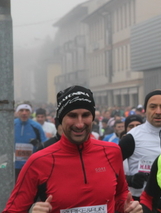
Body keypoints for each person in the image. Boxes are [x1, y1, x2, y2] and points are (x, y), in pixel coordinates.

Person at [4, 85, 142, 213]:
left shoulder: (112, 152)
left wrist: (127, 206)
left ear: (93, 117)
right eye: (72, 115)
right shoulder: (38, 161)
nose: (80, 124)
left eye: (86, 115)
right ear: (60, 119)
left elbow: (120, 195)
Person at [119, 90, 161, 202]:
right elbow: (110, 170)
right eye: (153, 107)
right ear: (145, 110)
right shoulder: (131, 138)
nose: (158, 111)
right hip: (141, 201)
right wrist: (129, 179)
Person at [14, 102, 47, 181]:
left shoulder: (36, 126)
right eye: (21, 110)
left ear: (30, 113)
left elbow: (44, 145)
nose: (24, 113)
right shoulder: (12, 125)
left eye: (27, 110)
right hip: (13, 165)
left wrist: (38, 144)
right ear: (18, 112)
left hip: (30, 165)